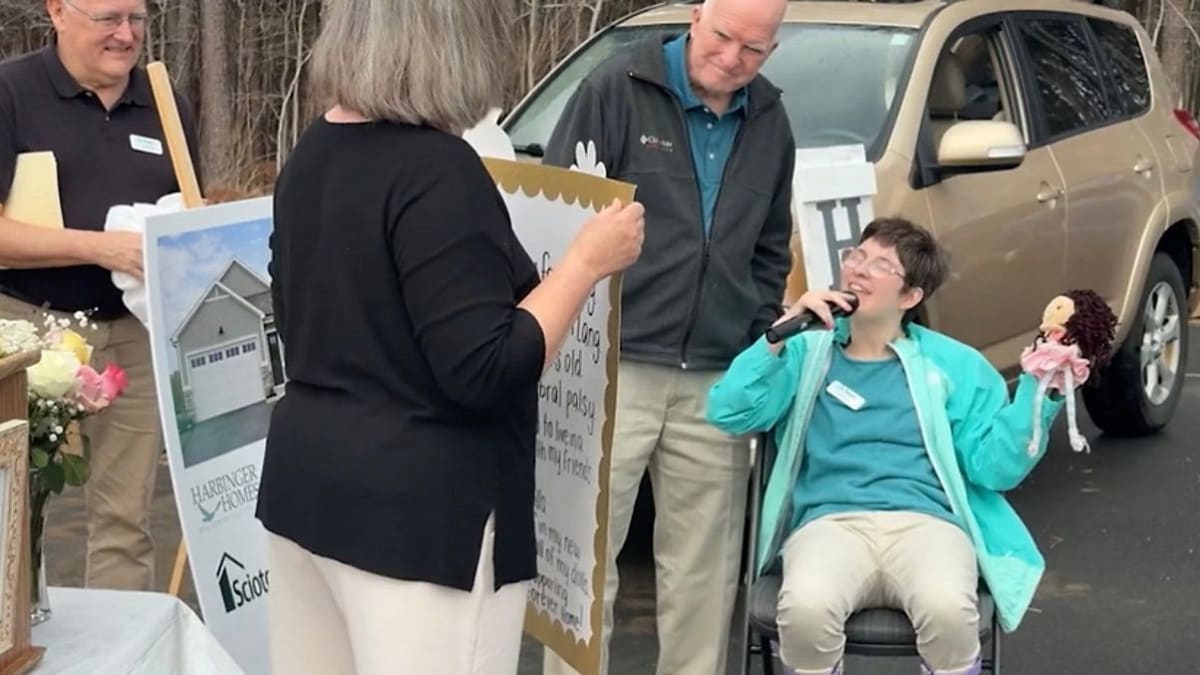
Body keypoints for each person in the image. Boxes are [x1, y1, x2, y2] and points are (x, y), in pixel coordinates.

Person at [253, 1, 645, 673]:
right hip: (422, 525)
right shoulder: (437, 170)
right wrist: (583, 264)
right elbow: (486, 370)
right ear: (456, 46)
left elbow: (295, 321)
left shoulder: (311, 152)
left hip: (307, 490)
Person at [541, 0, 794, 672]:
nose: (734, 59)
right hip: (613, 365)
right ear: (695, 15)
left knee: (704, 580)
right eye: (723, 37)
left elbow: (773, 244)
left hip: (717, 377)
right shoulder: (615, 90)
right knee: (583, 570)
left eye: (755, 49)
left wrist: (752, 332)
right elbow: (562, 213)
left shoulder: (770, 116)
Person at [707, 218, 1064, 675]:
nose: (858, 270)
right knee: (806, 609)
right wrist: (778, 334)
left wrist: (1040, 394)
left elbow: (995, 467)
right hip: (829, 523)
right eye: (857, 255)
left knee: (949, 610)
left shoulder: (955, 364)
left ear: (910, 296)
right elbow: (728, 412)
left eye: (880, 265)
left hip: (927, 523)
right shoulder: (805, 351)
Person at [0, 0, 198, 591]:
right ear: (57, 11)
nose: (125, 35)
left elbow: (184, 206)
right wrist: (101, 247)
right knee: (13, 511)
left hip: (134, 334)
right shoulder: (11, 93)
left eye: (136, 20)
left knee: (125, 520)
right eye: (107, 18)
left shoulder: (165, 103)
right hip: (27, 331)